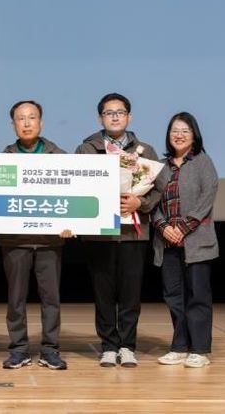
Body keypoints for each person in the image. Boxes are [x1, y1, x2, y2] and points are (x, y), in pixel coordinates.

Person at [75, 92, 161, 367]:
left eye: (120, 112)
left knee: (130, 294)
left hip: (134, 233)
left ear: (129, 117)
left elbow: (158, 190)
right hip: (99, 234)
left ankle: (127, 346)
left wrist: (139, 202)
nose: (115, 117)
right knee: (103, 293)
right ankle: (109, 346)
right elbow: (77, 187)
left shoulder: (146, 151)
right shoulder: (86, 149)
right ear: (100, 117)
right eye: (109, 113)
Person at [0, 100, 73, 371]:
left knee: (51, 299)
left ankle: (50, 350)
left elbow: (71, 197)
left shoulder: (59, 157)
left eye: (32, 117)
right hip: (14, 241)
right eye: (21, 118)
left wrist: (71, 222)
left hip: (50, 240)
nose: (27, 123)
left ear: (41, 122)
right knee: (15, 299)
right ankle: (18, 350)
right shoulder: (2, 160)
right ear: (13, 124)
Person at [153, 112, 219, 368]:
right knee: (173, 296)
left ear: (194, 135)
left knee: (198, 295)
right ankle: (179, 346)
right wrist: (163, 226)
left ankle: (199, 349)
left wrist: (182, 227)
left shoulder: (203, 161)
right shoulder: (161, 166)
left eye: (184, 131)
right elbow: (152, 202)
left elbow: (207, 196)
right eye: (174, 131)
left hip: (196, 242)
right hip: (168, 242)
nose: (179, 135)